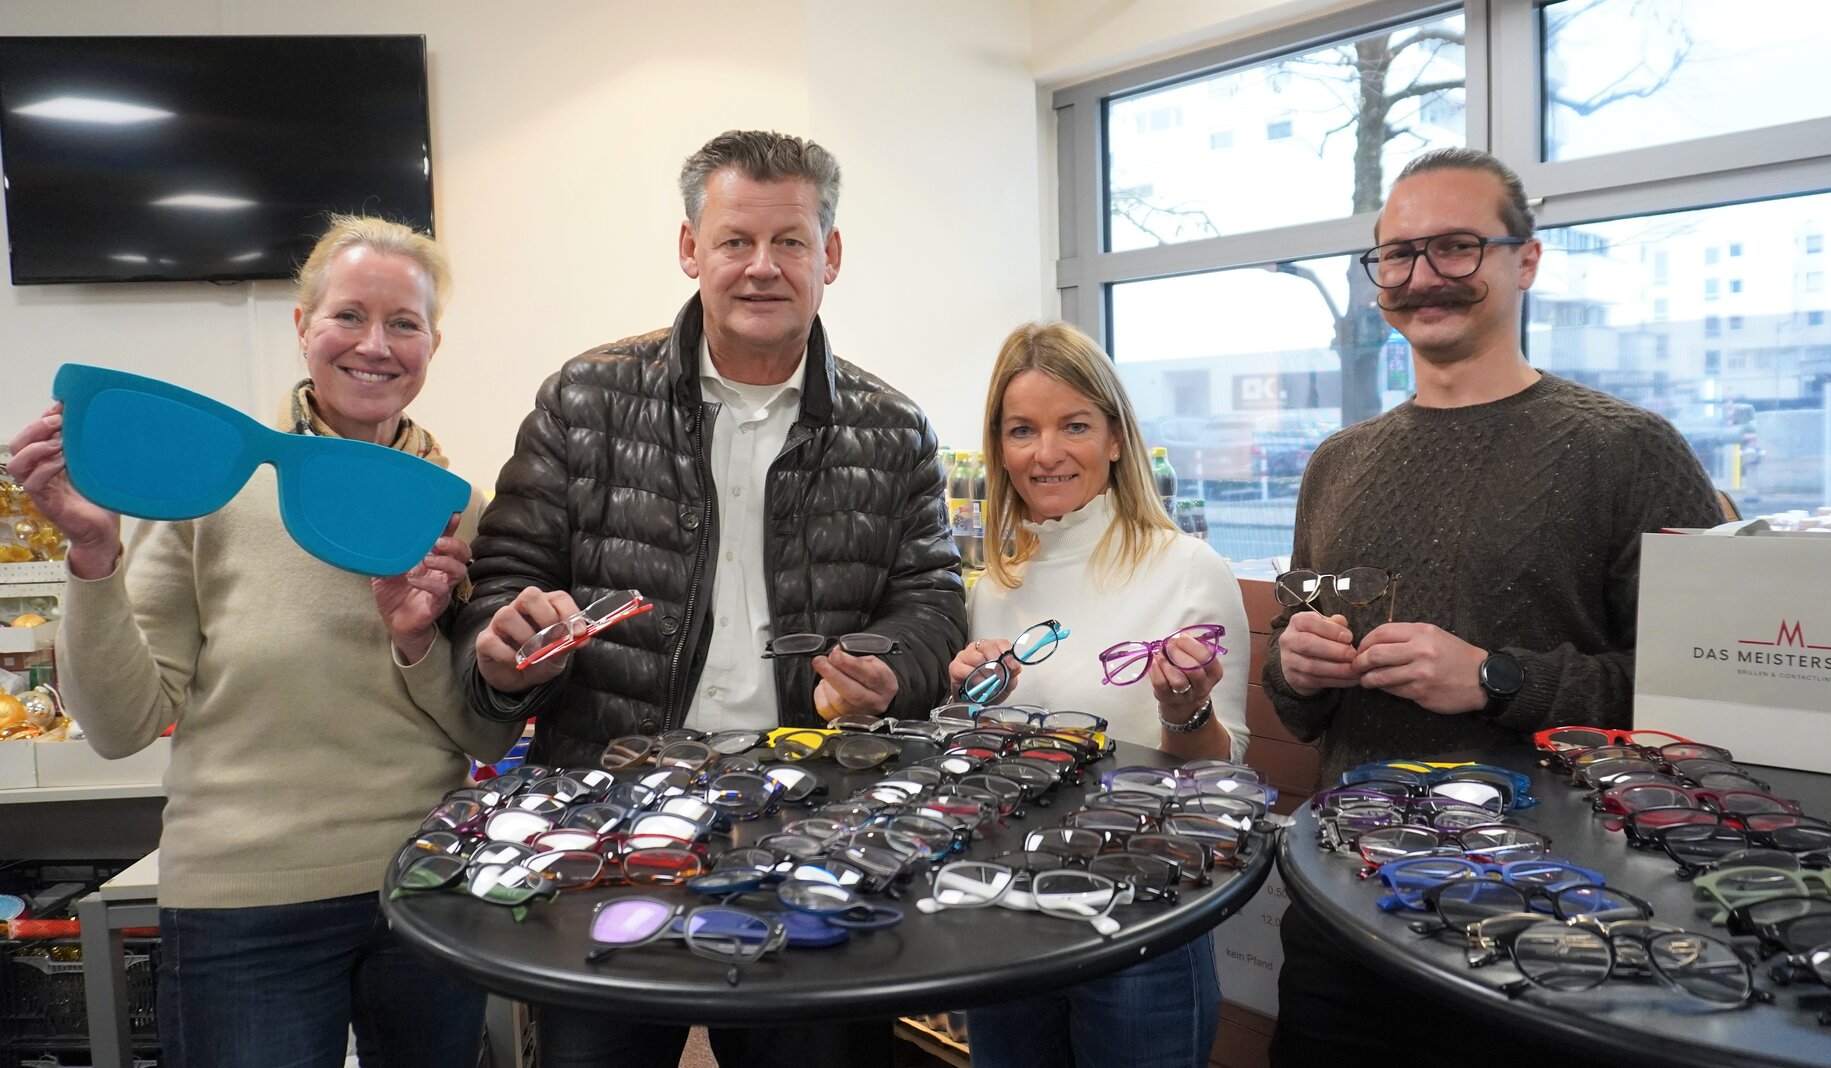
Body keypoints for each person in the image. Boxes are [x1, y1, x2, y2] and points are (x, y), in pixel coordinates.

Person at [451, 130, 966, 1068]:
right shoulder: (585, 399)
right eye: (735, 240)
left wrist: (892, 666)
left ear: (830, 255)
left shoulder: (895, 429)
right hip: (607, 821)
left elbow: (931, 597)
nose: (762, 266)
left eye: (790, 241)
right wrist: (507, 644)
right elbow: (505, 577)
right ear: (691, 249)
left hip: (816, 822)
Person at [6, 215, 513, 1068]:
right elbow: (122, 726)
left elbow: (486, 733)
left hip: (426, 885)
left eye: (404, 323)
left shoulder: (455, 508)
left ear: (433, 344)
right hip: (243, 902)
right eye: (348, 315)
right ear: (303, 325)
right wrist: (92, 555)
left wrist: (416, 641)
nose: (375, 345)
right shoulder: (213, 489)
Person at [1261, 148, 1722, 1065]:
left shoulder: (1631, 452)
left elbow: (1703, 695)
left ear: (1527, 261)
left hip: (1558, 921)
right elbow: (1297, 704)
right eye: (1398, 254)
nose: (1422, 276)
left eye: (1457, 247)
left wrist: (1497, 679)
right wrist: (1295, 665)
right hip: (1347, 898)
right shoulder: (1336, 463)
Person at [947, 320, 1249, 1068]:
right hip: (1008, 908)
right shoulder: (994, 588)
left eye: (1074, 425)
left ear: (1116, 438)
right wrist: (966, 710)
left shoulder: (1188, 569)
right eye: (1023, 430)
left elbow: (1220, 777)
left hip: (1142, 919)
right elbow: (981, 773)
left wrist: (1184, 711)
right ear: (1000, 449)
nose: (1046, 453)